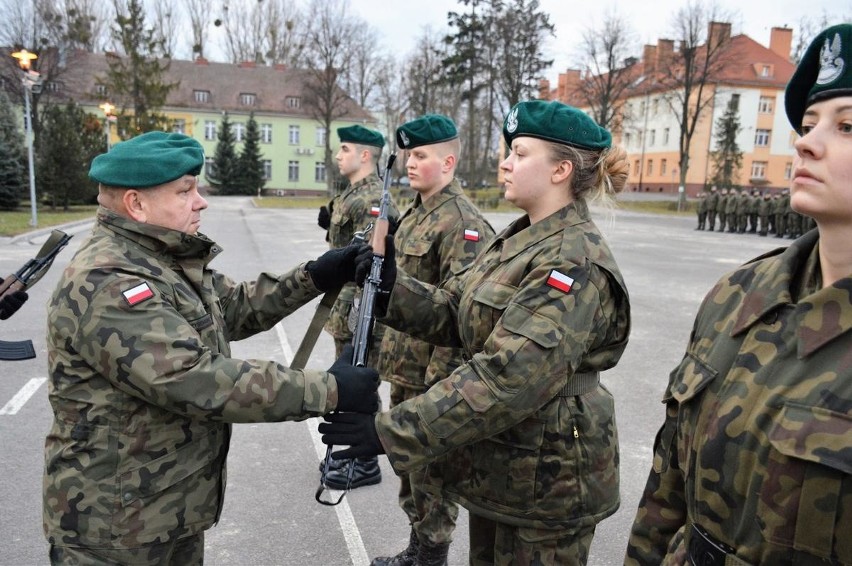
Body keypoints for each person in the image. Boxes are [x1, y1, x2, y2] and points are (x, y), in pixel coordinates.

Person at [43, 132, 379, 565]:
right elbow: (195, 379)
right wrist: (329, 390)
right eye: (185, 191)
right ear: (136, 204)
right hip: (113, 526)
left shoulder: (159, 258)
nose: (201, 202)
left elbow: (234, 306)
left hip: (160, 510)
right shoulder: (108, 279)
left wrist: (314, 275)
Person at [321, 100, 631, 565]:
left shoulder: (571, 260)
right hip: (508, 463)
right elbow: (455, 310)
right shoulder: (522, 238)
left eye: (520, 153)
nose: (504, 163)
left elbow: (508, 376)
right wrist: (390, 289)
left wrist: (391, 432)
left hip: (549, 480)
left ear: (560, 170)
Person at [625, 23, 852, 565]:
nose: (806, 141)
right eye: (810, 122)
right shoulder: (738, 295)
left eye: (848, 126)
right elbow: (666, 495)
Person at [370, 115, 495, 566]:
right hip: (404, 368)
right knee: (413, 471)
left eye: (421, 155)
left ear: (448, 161)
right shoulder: (418, 213)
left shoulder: (462, 222)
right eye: (408, 154)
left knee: (434, 473)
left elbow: (463, 313)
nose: (410, 162)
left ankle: (431, 555)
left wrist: (439, 383)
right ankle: (418, 547)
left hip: (432, 378)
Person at [317, 124, 400, 491]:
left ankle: (364, 460)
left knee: (360, 380)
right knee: (347, 379)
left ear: (365, 155)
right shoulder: (350, 194)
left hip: (359, 310)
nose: (338, 155)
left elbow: (373, 262)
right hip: (343, 308)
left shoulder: (375, 201)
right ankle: (351, 452)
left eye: (345, 149)